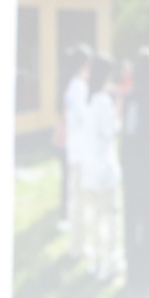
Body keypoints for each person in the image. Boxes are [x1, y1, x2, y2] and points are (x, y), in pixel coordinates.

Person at [121, 47, 149, 291]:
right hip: (148, 167)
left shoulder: (130, 99)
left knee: (131, 220)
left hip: (131, 167)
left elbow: (126, 133)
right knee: (148, 221)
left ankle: (132, 270)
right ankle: (146, 271)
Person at [77, 57, 122, 281]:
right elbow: (109, 131)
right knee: (109, 218)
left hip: (88, 168)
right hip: (103, 168)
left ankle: (95, 261)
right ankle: (109, 262)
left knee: (95, 218)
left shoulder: (87, 99)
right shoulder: (103, 101)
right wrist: (117, 116)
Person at [60, 45, 92, 249]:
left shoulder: (71, 85)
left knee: (75, 196)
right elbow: (84, 118)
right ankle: (79, 243)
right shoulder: (80, 86)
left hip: (73, 147)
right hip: (81, 150)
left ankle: (76, 242)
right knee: (80, 198)